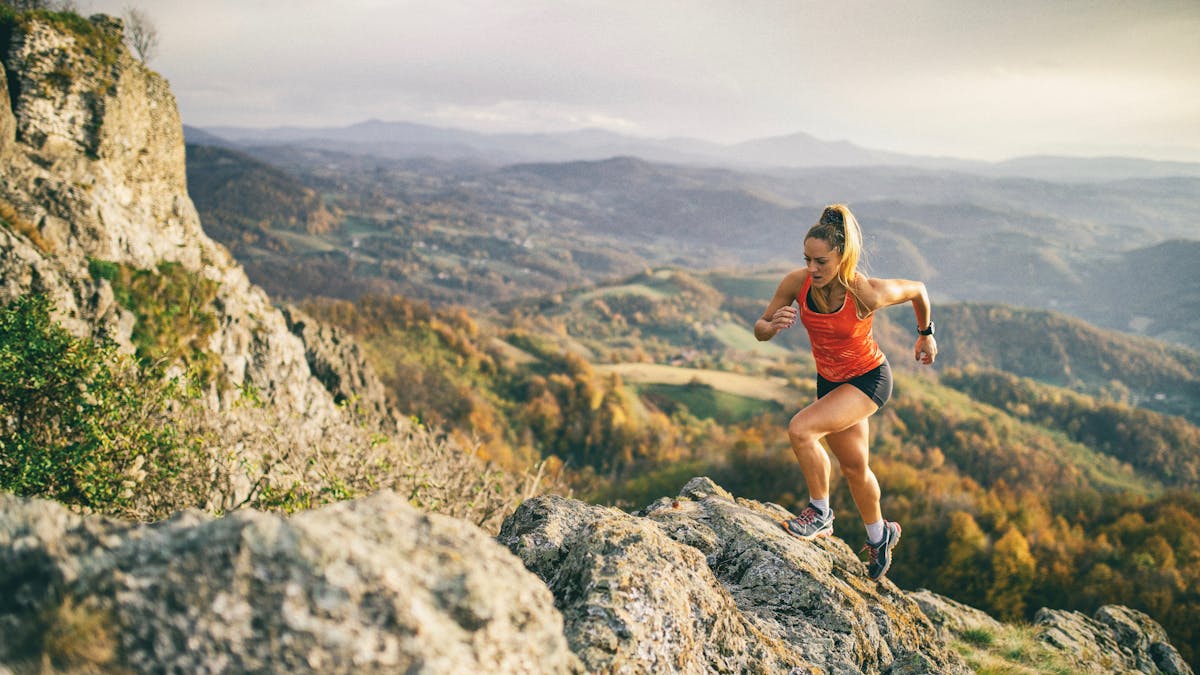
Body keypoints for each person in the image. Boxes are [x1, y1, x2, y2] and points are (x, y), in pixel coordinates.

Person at [754, 203, 937, 580]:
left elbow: (918, 290)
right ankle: (879, 535)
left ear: (842, 257)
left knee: (801, 429)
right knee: (855, 467)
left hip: (869, 379)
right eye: (807, 259)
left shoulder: (864, 292)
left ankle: (820, 513)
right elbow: (759, 326)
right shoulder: (796, 283)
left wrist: (925, 335)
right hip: (832, 383)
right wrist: (772, 326)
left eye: (821, 261)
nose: (812, 268)